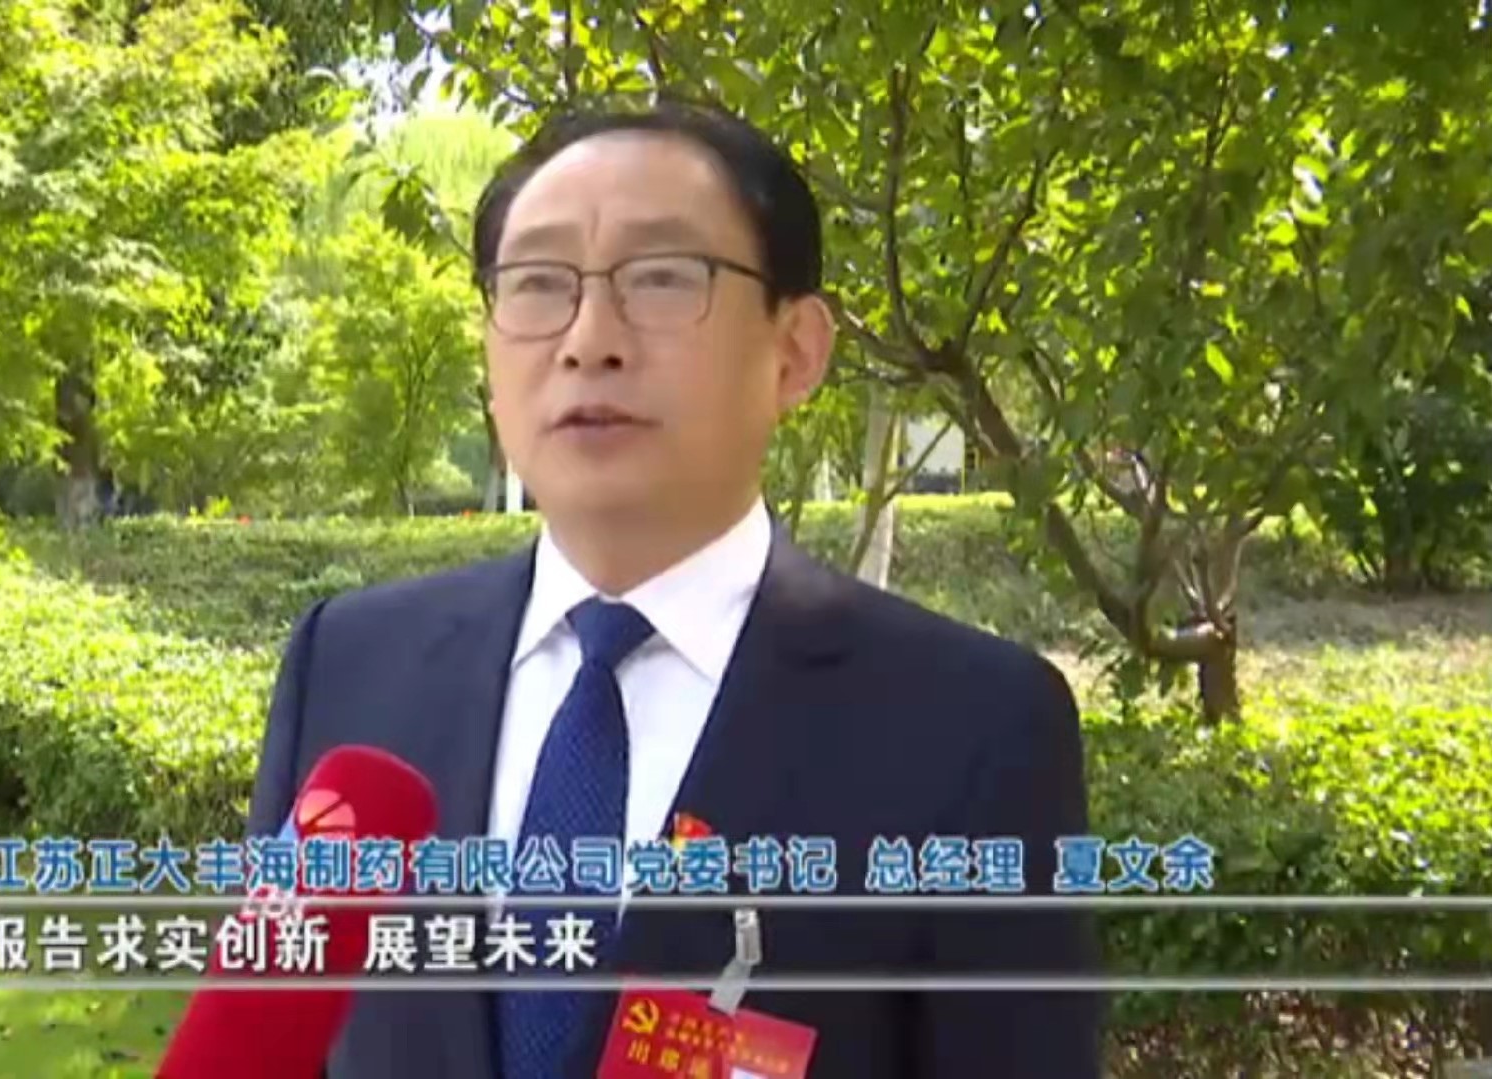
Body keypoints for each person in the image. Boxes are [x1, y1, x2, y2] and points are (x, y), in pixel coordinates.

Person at [243, 99, 1102, 1078]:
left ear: (794, 351)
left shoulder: (970, 725)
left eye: (660, 278)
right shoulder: (347, 667)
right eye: (537, 284)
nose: (588, 339)